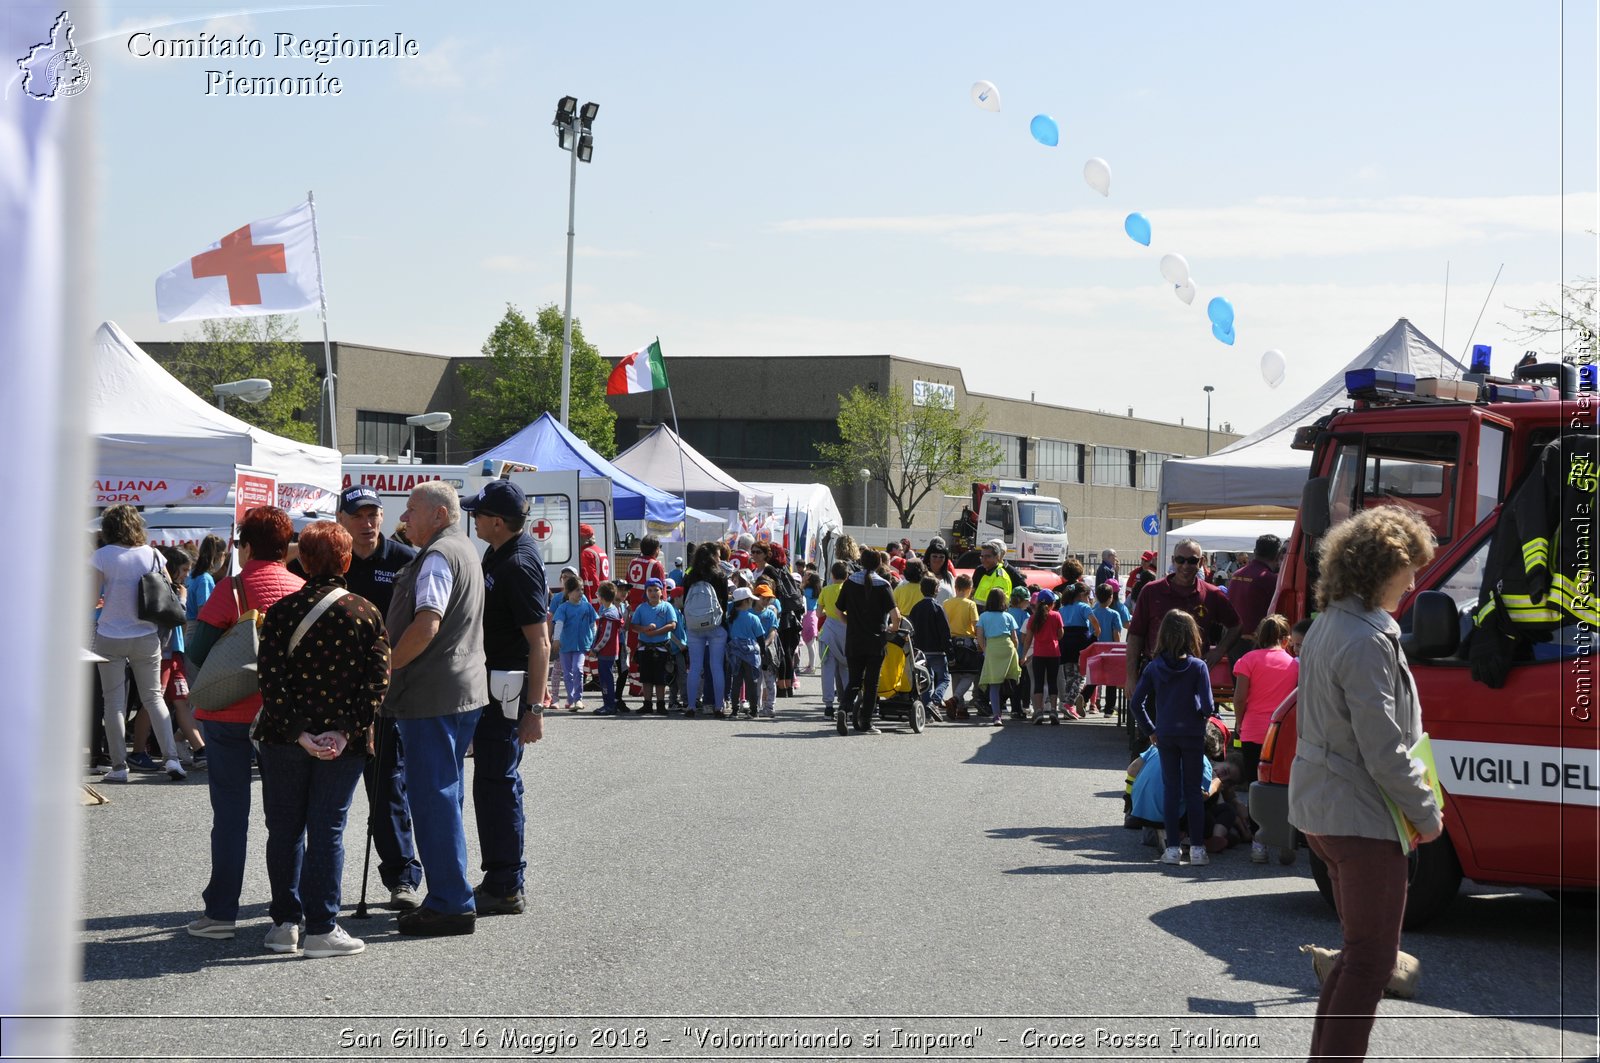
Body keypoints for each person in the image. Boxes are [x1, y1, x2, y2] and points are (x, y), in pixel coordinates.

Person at [1288, 506, 1441, 1063]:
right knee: (1373, 962)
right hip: (1361, 813)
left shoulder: (1332, 623)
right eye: (1410, 569)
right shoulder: (1365, 639)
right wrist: (1426, 814)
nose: (1415, 581)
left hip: (1329, 808)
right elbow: (1384, 749)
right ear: (1382, 569)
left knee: (1357, 957)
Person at [253, 521, 390, 958]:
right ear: (346, 560)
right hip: (342, 743)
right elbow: (377, 685)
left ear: (304, 561)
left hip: (283, 738)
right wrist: (344, 729)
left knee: (284, 830)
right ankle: (322, 927)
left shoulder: (280, 613)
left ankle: (284, 924)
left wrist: (298, 732)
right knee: (328, 830)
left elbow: (269, 682)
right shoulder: (366, 613)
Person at [300, 485, 423, 911]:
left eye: (374, 514)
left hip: (385, 692)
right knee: (322, 797)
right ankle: (310, 884)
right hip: (331, 697)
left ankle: (402, 877)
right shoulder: (325, 564)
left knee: (387, 786)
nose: (369, 523)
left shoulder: (406, 561)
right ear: (341, 520)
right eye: (359, 516)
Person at [186, 506, 304, 940]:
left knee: (231, 816)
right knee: (287, 820)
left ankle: (220, 914)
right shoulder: (300, 589)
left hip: (227, 714)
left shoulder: (230, 590)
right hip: (281, 717)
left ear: (247, 546)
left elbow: (198, 652)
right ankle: (288, 918)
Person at [383, 481, 488, 937]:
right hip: (458, 690)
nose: (403, 519)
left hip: (432, 694)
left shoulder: (439, 557)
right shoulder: (462, 549)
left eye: (411, 511)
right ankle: (451, 893)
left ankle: (449, 901)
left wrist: (384, 670)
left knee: (433, 799)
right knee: (443, 795)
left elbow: (427, 624)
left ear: (440, 515)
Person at [462, 478, 551, 916]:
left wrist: (534, 711)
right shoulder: (500, 552)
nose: (473, 518)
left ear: (498, 522)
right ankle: (500, 877)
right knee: (492, 783)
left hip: (508, 691)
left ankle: (505, 883)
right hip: (497, 687)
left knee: (498, 784)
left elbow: (541, 642)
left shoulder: (517, 563)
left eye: (478, 514)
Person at [90, 505, 187, 783]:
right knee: (154, 697)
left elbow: (89, 599)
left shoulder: (102, 556)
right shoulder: (154, 554)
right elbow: (170, 592)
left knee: (114, 703)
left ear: (109, 528)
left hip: (110, 635)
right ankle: (171, 759)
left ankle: (119, 767)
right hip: (146, 635)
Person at [1131, 610, 1216, 866]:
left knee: (1171, 788)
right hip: (1192, 733)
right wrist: (1200, 710)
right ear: (1192, 635)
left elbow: (1137, 703)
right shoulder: (1198, 667)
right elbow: (1209, 706)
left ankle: (1172, 849)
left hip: (1165, 733)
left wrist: (1151, 730)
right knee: (1193, 790)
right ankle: (1198, 849)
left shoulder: (1154, 667)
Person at [1124, 538, 1240, 710]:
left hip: (1193, 676)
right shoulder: (1151, 591)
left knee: (1190, 731)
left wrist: (1219, 652)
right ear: (1173, 560)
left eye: (1192, 560)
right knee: (1153, 732)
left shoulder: (1212, 594)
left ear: (1201, 562)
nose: (1185, 565)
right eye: (1180, 560)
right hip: (1156, 673)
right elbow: (1135, 635)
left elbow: (1236, 625)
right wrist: (1131, 677)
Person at [1231, 613, 1298, 862]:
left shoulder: (1247, 660)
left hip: (1254, 730)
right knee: (1286, 786)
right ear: (1285, 638)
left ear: (1260, 635)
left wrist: (1239, 721)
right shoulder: (1295, 664)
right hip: (1284, 734)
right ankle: (1286, 840)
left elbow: (1239, 697)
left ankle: (1259, 842)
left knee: (1255, 786)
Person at [835, 548, 900, 734]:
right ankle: (866, 722)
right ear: (879, 563)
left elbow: (839, 611)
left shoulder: (849, 583)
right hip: (875, 641)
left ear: (861, 562)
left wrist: (851, 623)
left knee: (854, 680)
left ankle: (844, 708)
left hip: (854, 639)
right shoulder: (884, 585)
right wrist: (891, 629)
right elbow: (895, 616)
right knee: (872, 683)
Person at [681, 544, 730, 717]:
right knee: (716, 666)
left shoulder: (689, 575)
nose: (719, 558)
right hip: (715, 625)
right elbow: (723, 602)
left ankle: (691, 706)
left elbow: (685, 600)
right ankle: (718, 706)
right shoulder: (720, 575)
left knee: (694, 667)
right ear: (712, 556)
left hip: (694, 626)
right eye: (718, 555)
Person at [630, 578, 678, 714]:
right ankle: (647, 703)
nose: (653, 593)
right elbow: (634, 626)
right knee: (646, 678)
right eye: (650, 590)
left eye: (656, 590)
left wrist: (656, 632)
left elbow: (672, 624)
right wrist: (644, 629)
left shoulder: (667, 606)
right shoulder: (641, 608)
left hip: (661, 648)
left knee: (660, 678)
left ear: (661, 591)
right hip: (645, 648)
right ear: (645, 592)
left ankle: (661, 704)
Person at [1226, 534, 1283, 646]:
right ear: (1278, 554)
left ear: (1255, 551)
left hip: (1233, 641)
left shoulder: (1237, 574)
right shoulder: (1270, 578)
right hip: (1256, 641)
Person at [975, 588, 1021, 726]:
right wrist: (1015, 652)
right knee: (1012, 679)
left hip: (992, 649)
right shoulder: (1008, 616)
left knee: (994, 685)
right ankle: (1017, 709)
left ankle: (996, 716)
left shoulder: (983, 616)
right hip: (1007, 647)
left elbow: (979, 636)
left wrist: (985, 650)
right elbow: (1015, 639)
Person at [550, 576, 597, 710]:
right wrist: (556, 640)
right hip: (565, 645)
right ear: (569, 592)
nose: (581, 592)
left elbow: (593, 624)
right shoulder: (563, 608)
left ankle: (578, 699)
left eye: (582, 589)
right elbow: (558, 623)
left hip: (581, 645)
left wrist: (594, 641)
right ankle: (570, 700)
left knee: (577, 669)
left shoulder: (587, 607)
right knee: (567, 673)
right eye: (577, 590)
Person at [1057, 582, 1101, 719]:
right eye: (1088, 596)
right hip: (1080, 641)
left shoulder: (1063, 609)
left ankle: (1067, 706)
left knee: (1069, 675)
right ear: (1082, 595)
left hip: (1065, 642)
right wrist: (1096, 634)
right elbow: (1094, 622)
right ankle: (1068, 704)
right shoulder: (1084, 607)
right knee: (1080, 676)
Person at [908, 576, 950, 718]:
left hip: (921, 651)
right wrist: (949, 652)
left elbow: (911, 630)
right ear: (937, 590)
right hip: (937, 650)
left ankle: (927, 712)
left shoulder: (916, 608)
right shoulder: (938, 607)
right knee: (944, 679)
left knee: (926, 681)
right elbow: (945, 632)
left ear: (921, 590)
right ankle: (935, 701)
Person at [942, 573, 981, 718]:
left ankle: (960, 708)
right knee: (970, 673)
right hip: (966, 641)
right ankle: (956, 698)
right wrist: (979, 641)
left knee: (956, 674)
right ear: (970, 588)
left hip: (951, 641)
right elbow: (975, 625)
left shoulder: (946, 603)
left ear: (955, 587)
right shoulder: (970, 604)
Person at [1023, 588, 1064, 724]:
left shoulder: (1033, 618)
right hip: (1054, 652)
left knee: (1038, 682)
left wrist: (1023, 655)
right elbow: (1060, 634)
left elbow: (1028, 639)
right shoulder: (1056, 615)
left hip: (1039, 654)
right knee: (1052, 682)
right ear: (1052, 603)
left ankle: (1039, 711)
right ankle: (1053, 710)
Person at [816, 560, 849, 717]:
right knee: (846, 669)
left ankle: (828, 706)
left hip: (829, 631)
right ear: (847, 575)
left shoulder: (826, 590)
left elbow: (818, 614)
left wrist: (828, 611)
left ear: (832, 575)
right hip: (846, 630)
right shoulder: (849, 589)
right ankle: (849, 704)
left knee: (827, 670)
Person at [591, 581, 625, 715]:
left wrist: (595, 649)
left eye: (598, 595)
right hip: (606, 651)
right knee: (605, 678)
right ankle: (608, 703)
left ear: (602, 597)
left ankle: (609, 705)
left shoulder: (609, 615)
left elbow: (606, 635)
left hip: (607, 651)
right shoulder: (607, 610)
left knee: (606, 679)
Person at [973, 539, 1013, 611]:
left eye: (987, 556)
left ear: (997, 557)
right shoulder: (988, 574)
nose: (983, 559)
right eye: (982, 556)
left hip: (991, 616)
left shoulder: (1000, 576)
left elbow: (998, 603)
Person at [799, 571, 822, 673]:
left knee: (809, 643)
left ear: (809, 579)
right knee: (812, 644)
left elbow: (799, 589)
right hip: (813, 615)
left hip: (807, 616)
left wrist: (803, 582)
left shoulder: (806, 590)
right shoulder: (815, 590)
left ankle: (811, 667)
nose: (803, 576)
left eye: (805, 576)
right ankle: (811, 664)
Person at [921, 537, 956, 602]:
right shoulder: (921, 576)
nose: (938, 559)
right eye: (934, 556)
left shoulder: (949, 576)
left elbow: (953, 597)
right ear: (929, 557)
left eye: (941, 557)